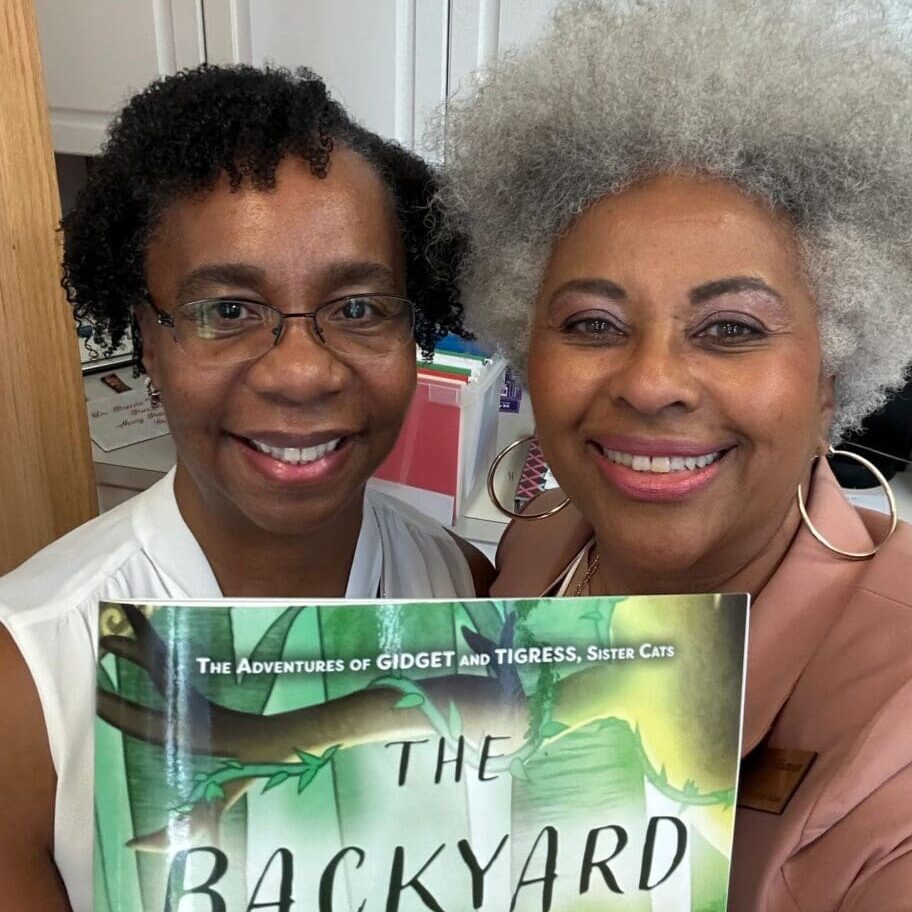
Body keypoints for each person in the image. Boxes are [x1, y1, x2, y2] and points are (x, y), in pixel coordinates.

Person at [437, 1, 912, 909]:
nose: (652, 382)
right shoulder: (543, 543)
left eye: (730, 328)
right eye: (592, 323)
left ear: (830, 374)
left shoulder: (896, 723)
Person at [0, 64, 490, 910]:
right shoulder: (28, 677)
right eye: (226, 310)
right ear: (145, 341)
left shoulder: (464, 587)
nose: (302, 373)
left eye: (360, 307)